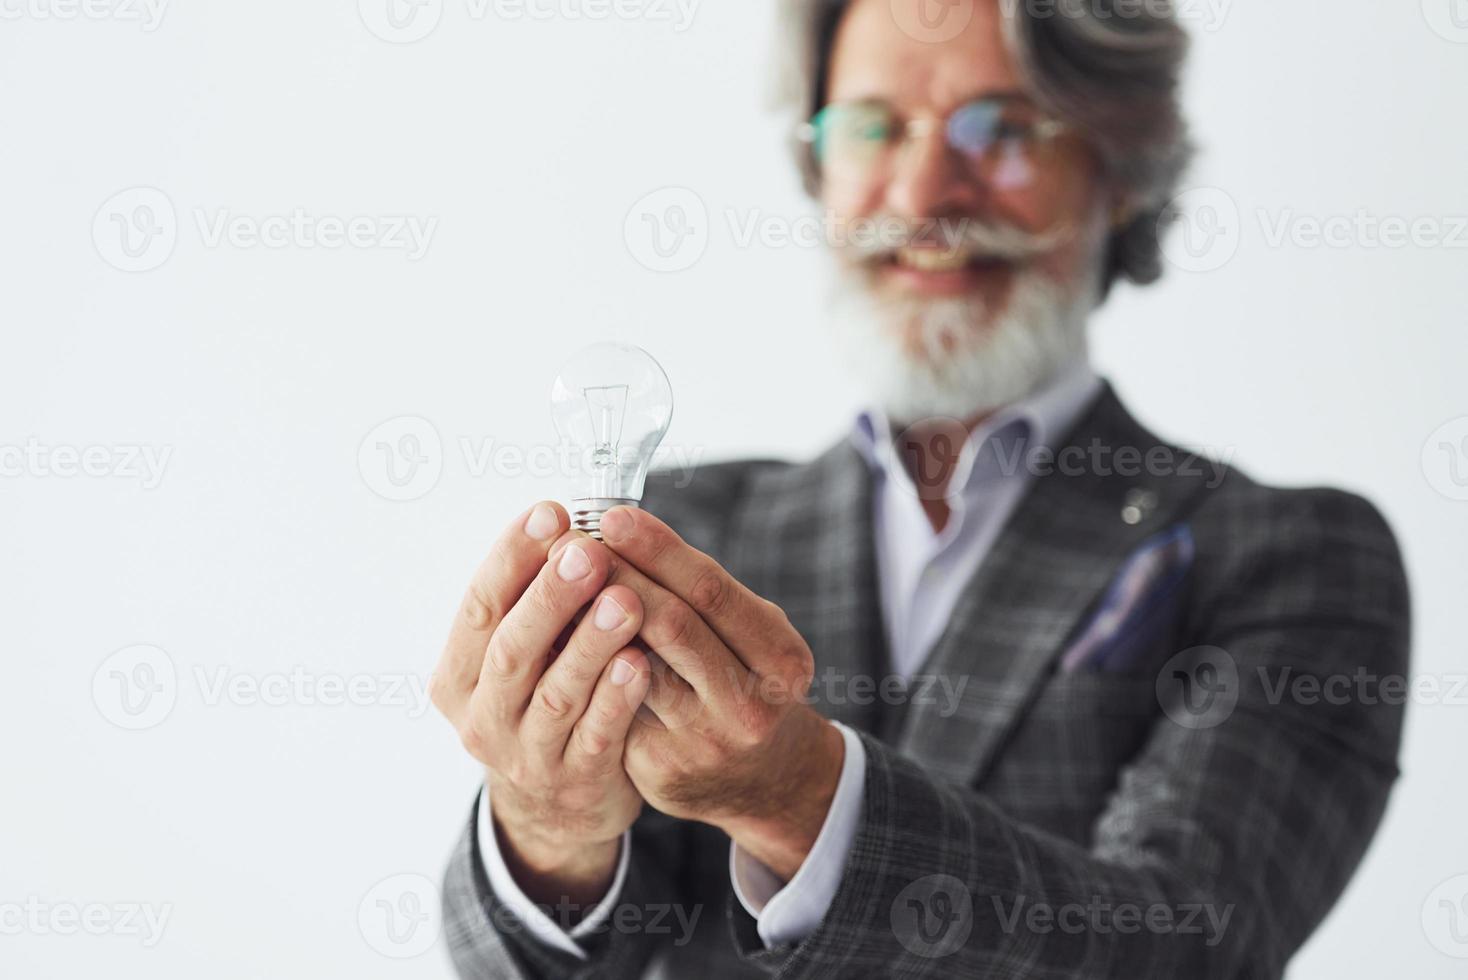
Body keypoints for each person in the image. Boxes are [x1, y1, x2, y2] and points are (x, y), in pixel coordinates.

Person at [431, 1, 1410, 976]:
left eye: (1003, 126)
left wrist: (800, 794)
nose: (926, 188)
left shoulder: (1291, 557)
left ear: (1118, 170)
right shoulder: (695, 537)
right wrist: (547, 825)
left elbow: (1185, 942)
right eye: (872, 124)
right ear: (819, 162)